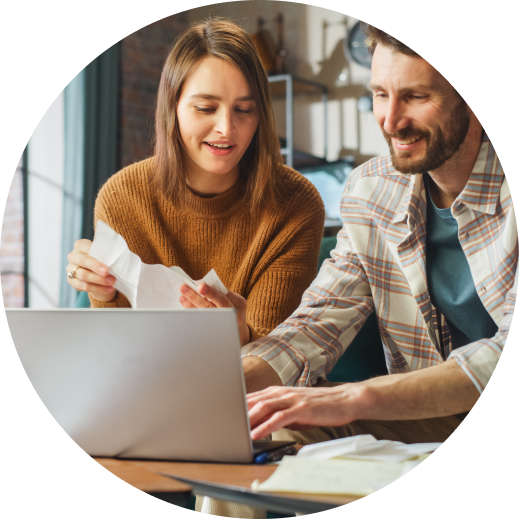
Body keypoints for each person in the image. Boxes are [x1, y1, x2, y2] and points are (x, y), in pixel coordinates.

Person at [243, 23, 517, 445]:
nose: (390, 121)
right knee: (258, 424)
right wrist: (229, 384)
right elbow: (317, 324)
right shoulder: (370, 191)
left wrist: (358, 397)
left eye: (416, 96)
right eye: (380, 94)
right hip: (425, 420)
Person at [65, 18, 324, 355]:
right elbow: (119, 354)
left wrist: (240, 335)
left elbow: (278, 360)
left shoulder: (296, 204)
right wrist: (102, 292)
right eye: (205, 108)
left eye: (244, 109)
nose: (226, 127)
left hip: (254, 394)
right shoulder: (122, 197)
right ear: (172, 107)